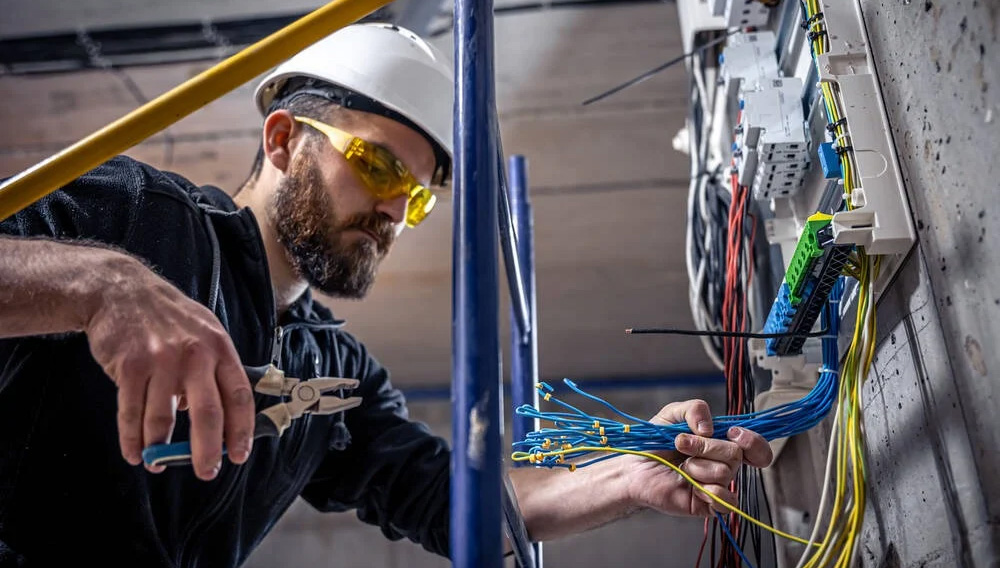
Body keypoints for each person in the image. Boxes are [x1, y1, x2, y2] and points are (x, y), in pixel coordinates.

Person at [0, 23, 772, 567]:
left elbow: (455, 503)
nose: (397, 212)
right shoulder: (134, 216)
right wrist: (101, 285)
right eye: (376, 165)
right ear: (282, 141)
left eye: (418, 194)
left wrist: (630, 473)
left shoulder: (335, 373)